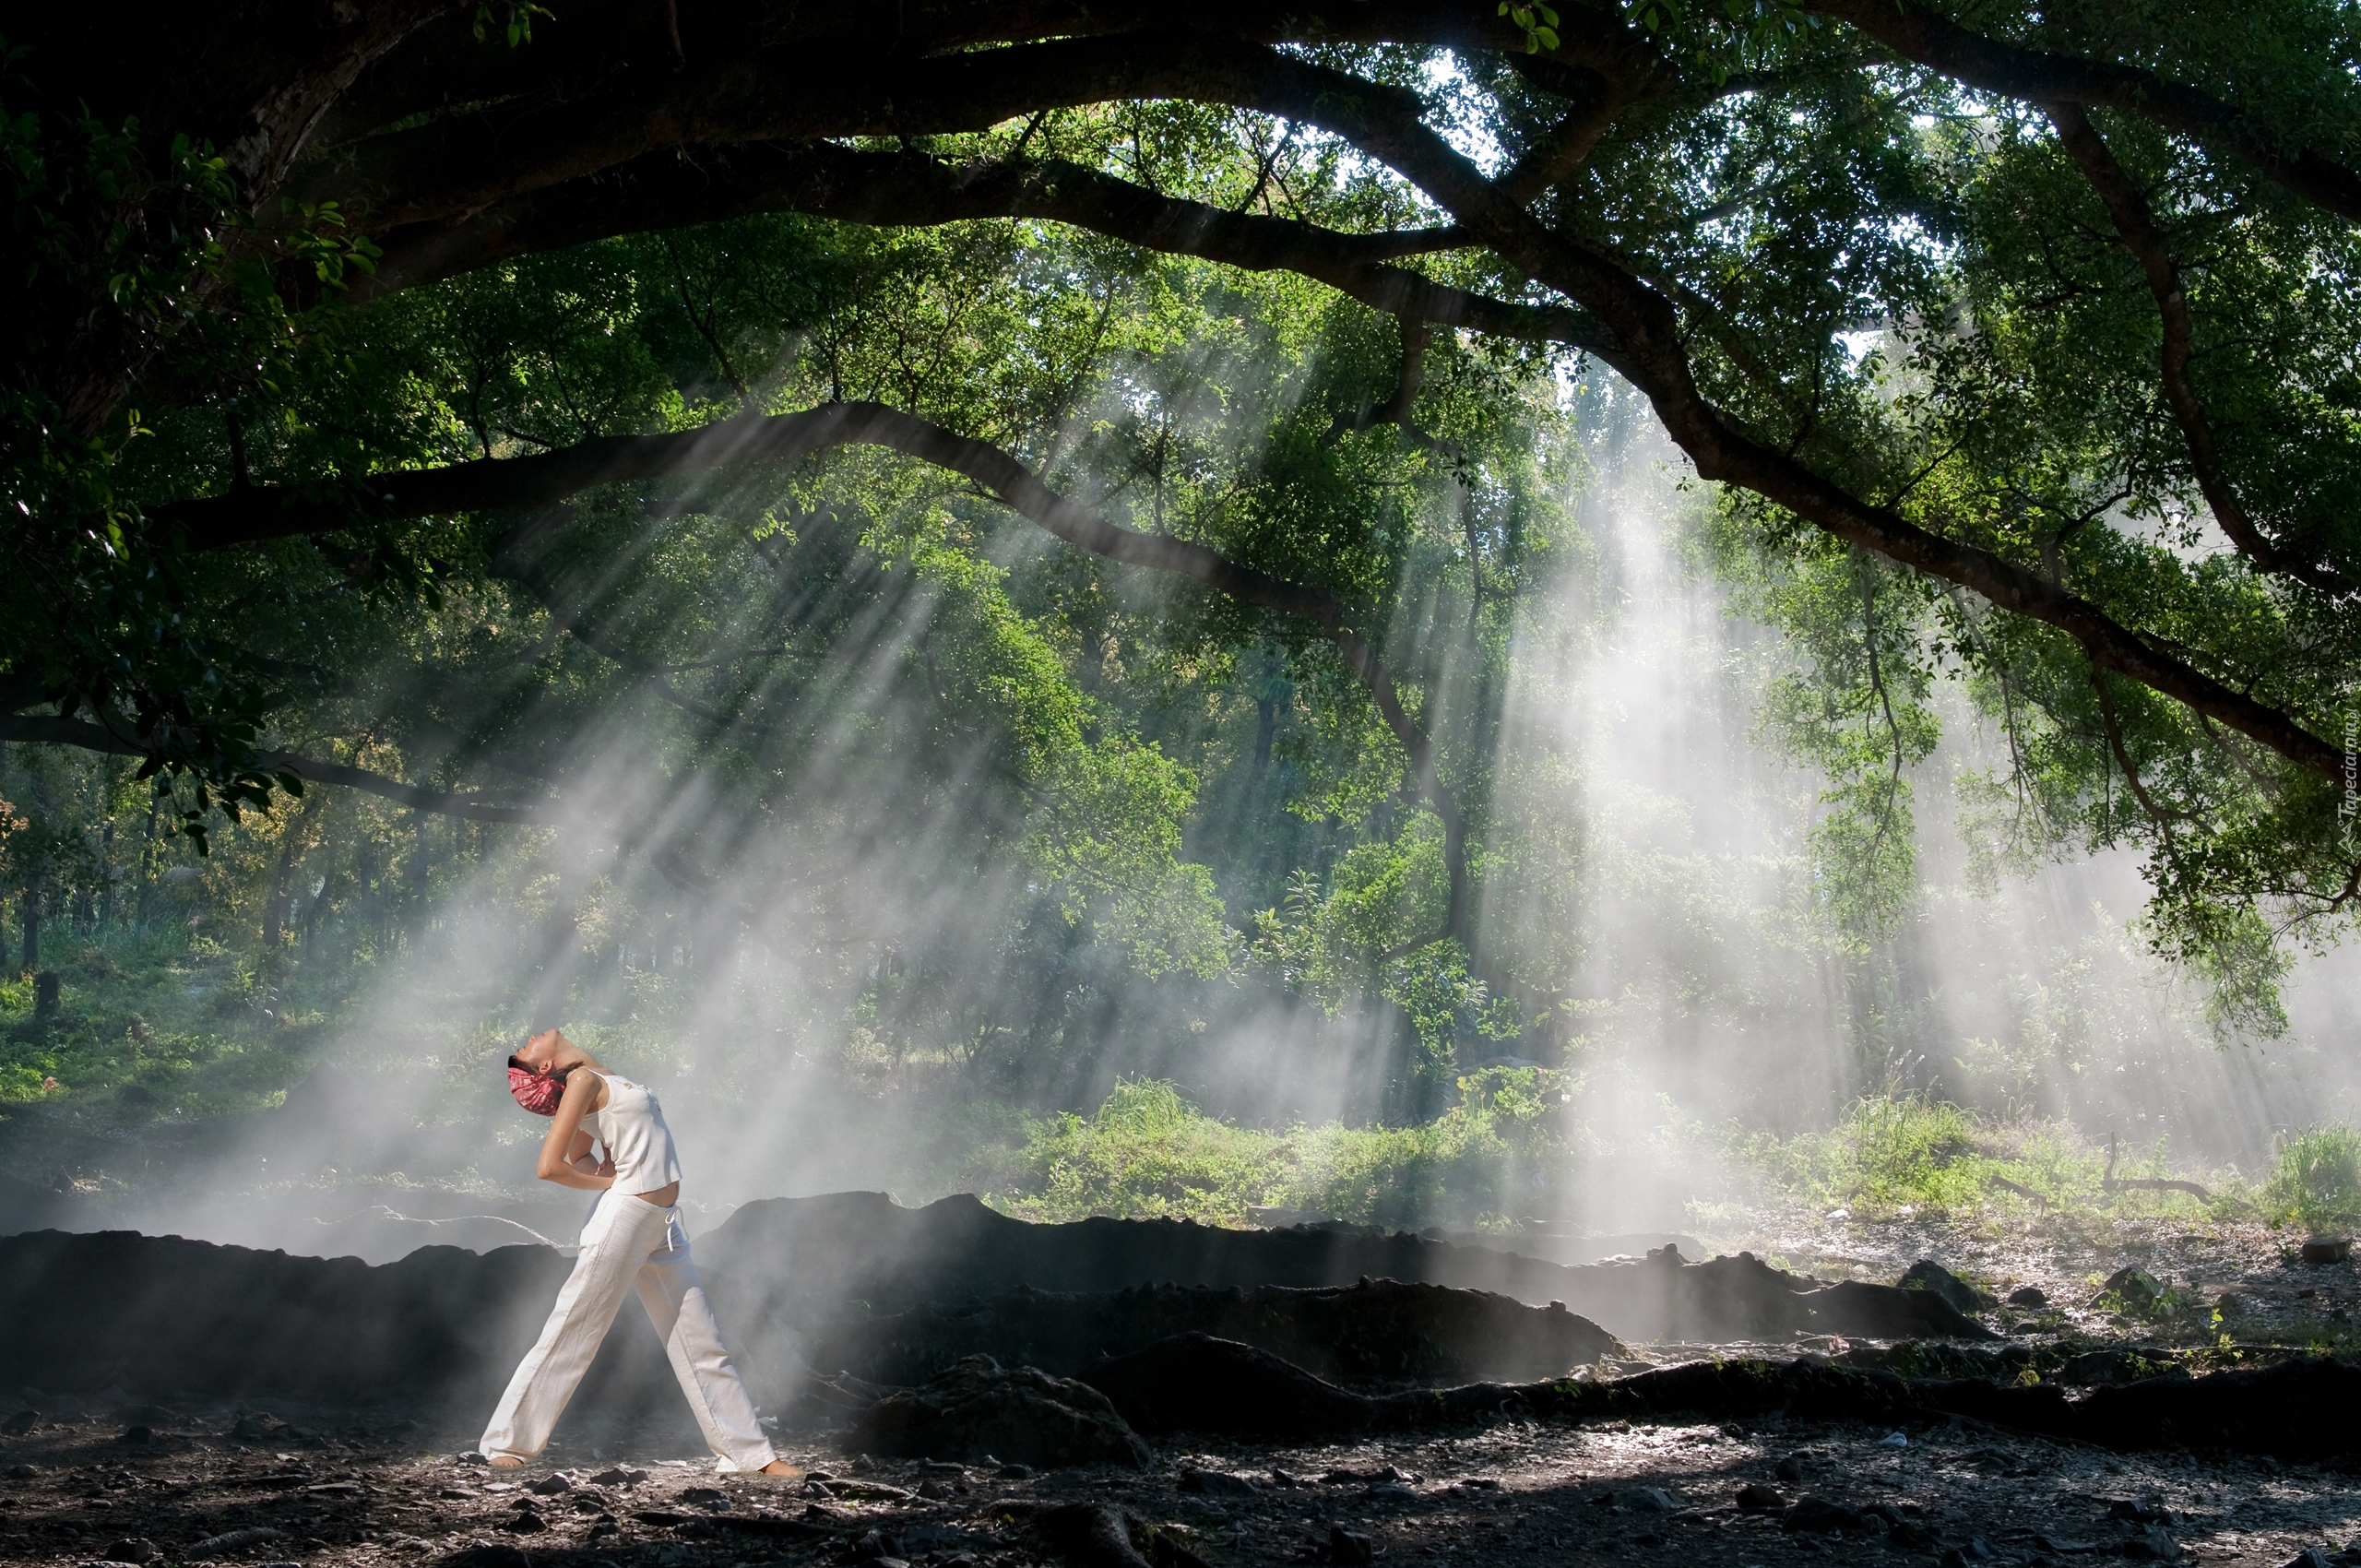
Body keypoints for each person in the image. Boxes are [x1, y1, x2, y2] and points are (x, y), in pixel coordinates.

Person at [480, 1027, 796, 1475]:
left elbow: (582, 1155)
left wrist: (605, 1168)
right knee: (574, 1329)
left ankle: (749, 1455)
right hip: (624, 1220)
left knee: (700, 1340)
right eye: (526, 1049)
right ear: (545, 1067)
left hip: (662, 1225)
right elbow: (552, 1166)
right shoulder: (583, 1083)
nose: (530, 1038)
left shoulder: (599, 1077)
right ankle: (506, 1445)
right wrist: (610, 1182)